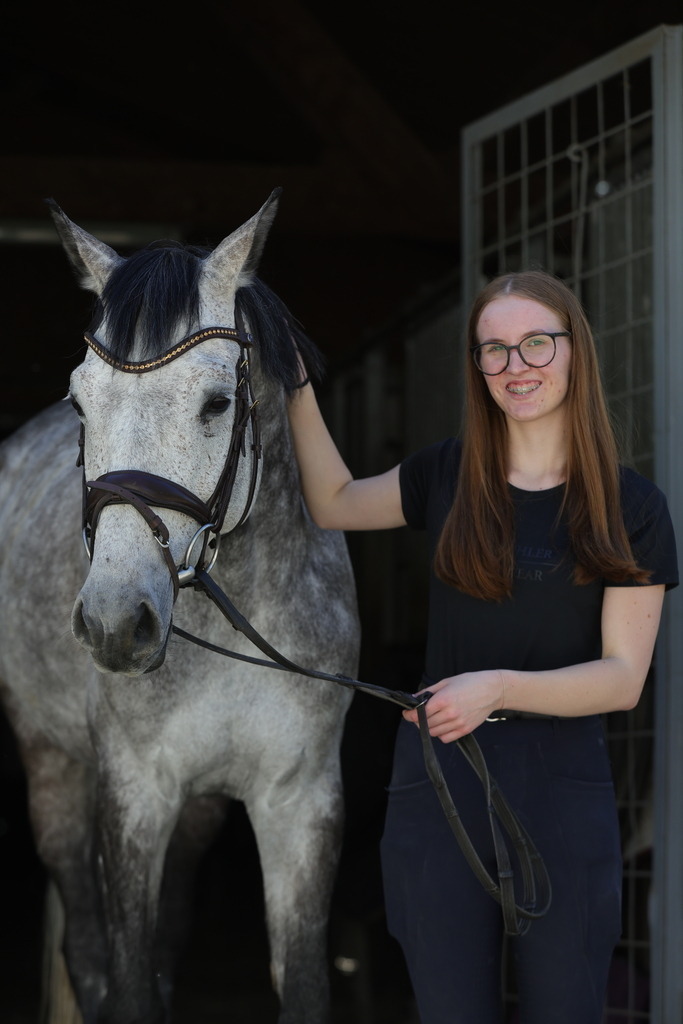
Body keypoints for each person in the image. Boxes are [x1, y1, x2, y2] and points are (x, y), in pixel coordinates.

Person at [286, 269, 678, 1024]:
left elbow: (622, 678)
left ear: (573, 352)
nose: (513, 366)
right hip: (439, 782)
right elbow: (331, 503)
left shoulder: (629, 506)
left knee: (564, 1009)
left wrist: (493, 689)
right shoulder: (446, 474)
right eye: (492, 350)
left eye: (535, 343)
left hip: (560, 784)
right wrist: (297, 384)